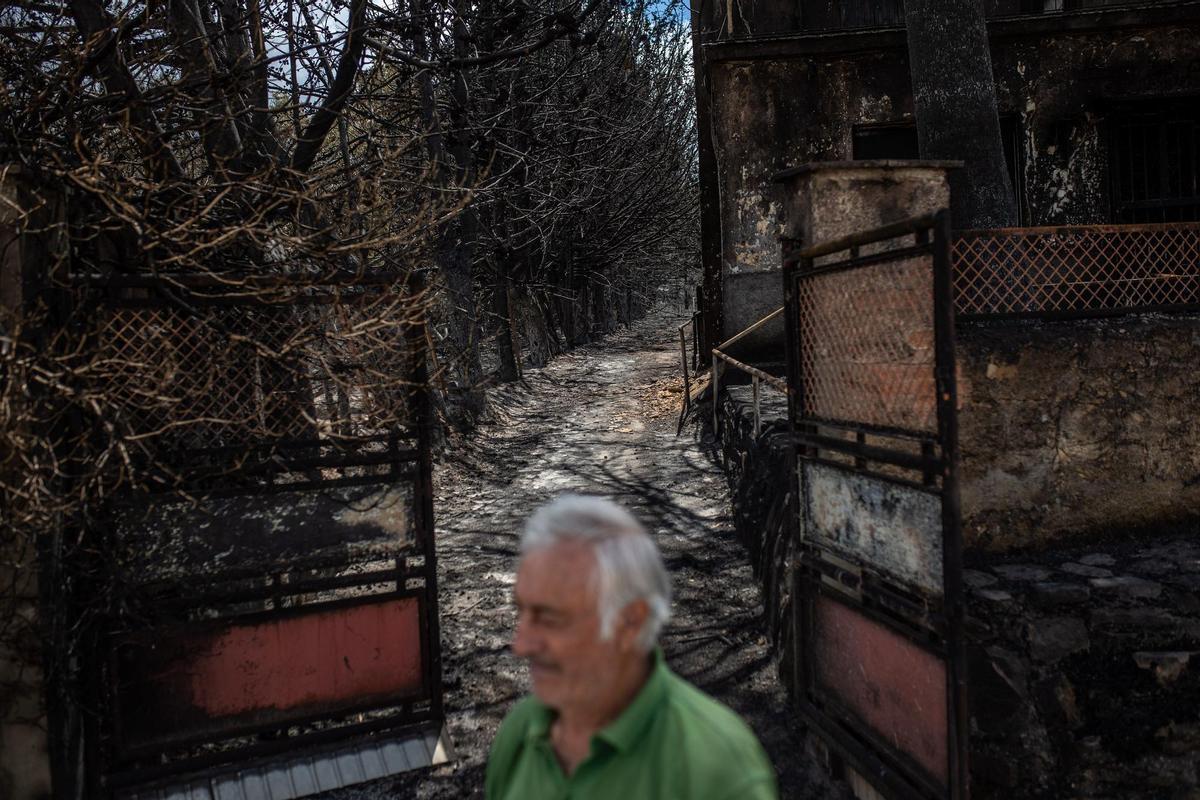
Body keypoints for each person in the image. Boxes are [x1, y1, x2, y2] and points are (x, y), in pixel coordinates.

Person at [485, 494, 779, 800]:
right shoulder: (522, 731)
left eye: (550, 618)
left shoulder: (717, 769)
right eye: (521, 612)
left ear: (630, 623)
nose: (520, 645)